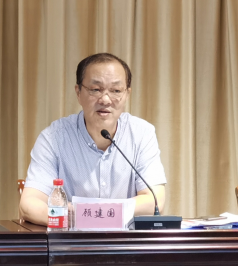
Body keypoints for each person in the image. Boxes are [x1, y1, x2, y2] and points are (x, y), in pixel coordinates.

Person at [19, 52, 167, 225]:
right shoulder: (53, 138)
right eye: (96, 89)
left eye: (116, 91)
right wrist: (80, 217)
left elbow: (155, 201)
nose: (105, 99)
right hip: (71, 240)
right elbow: (29, 205)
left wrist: (89, 214)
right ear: (78, 92)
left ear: (127, 94)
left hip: (126, 241)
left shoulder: (141, 134)